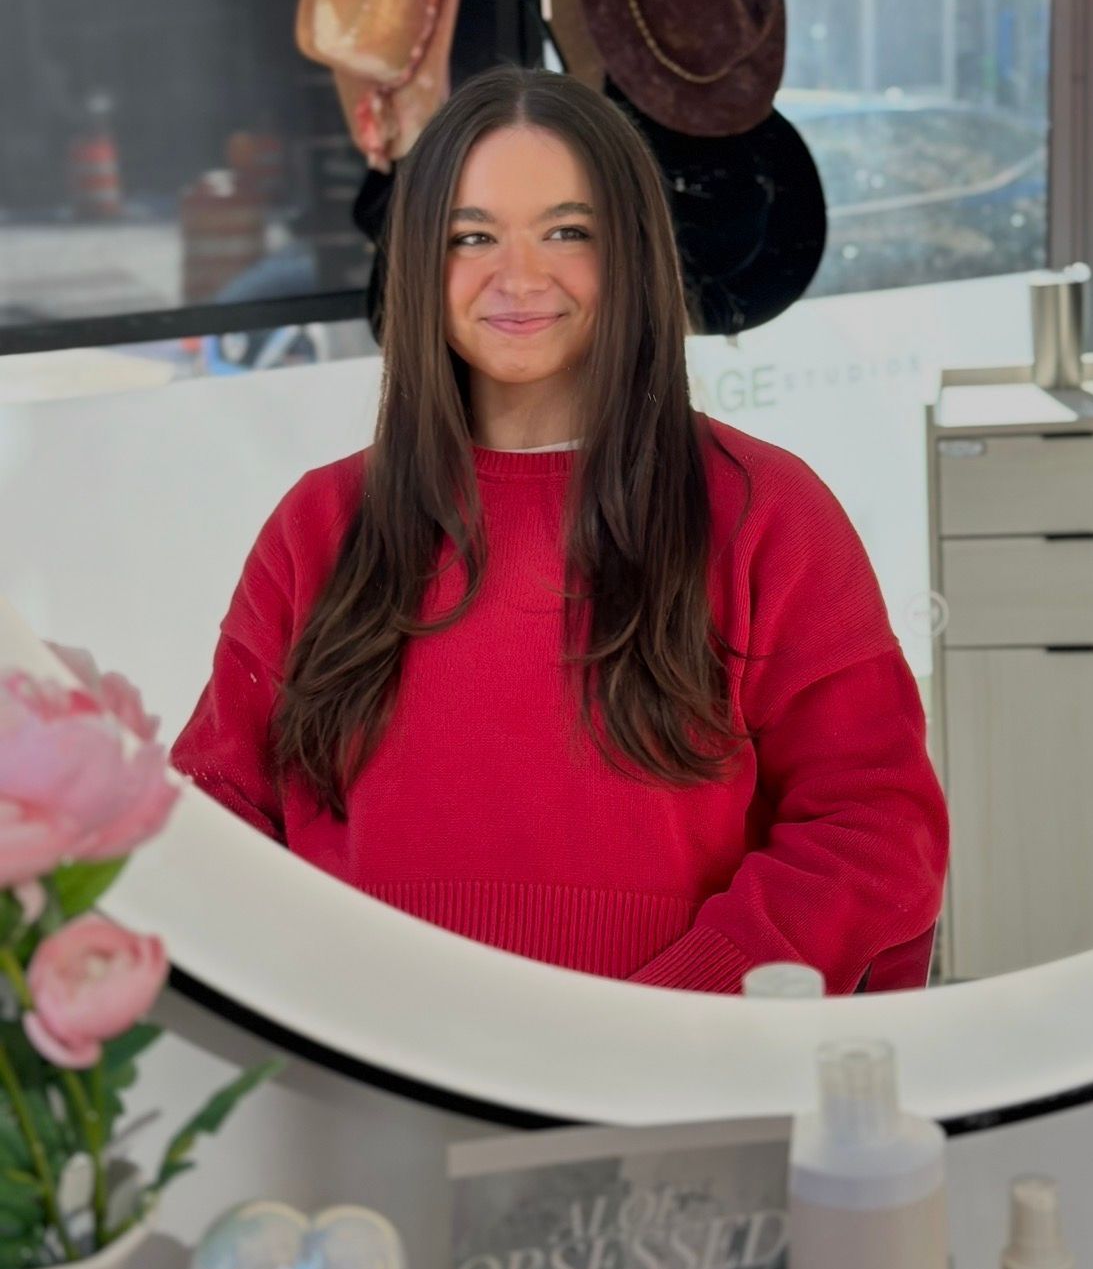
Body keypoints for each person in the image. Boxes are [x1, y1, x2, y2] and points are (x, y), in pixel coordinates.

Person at [171, 66, 948, 996]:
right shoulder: (321, 523)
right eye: (474, 236)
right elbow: (216, 814)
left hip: (674, 1085)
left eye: (567, 232)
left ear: (631, 252)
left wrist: (678, 1018)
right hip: (374, 1072)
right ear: (422, 259)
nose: (520, 275)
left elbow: (870, 826)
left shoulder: (768, 515)